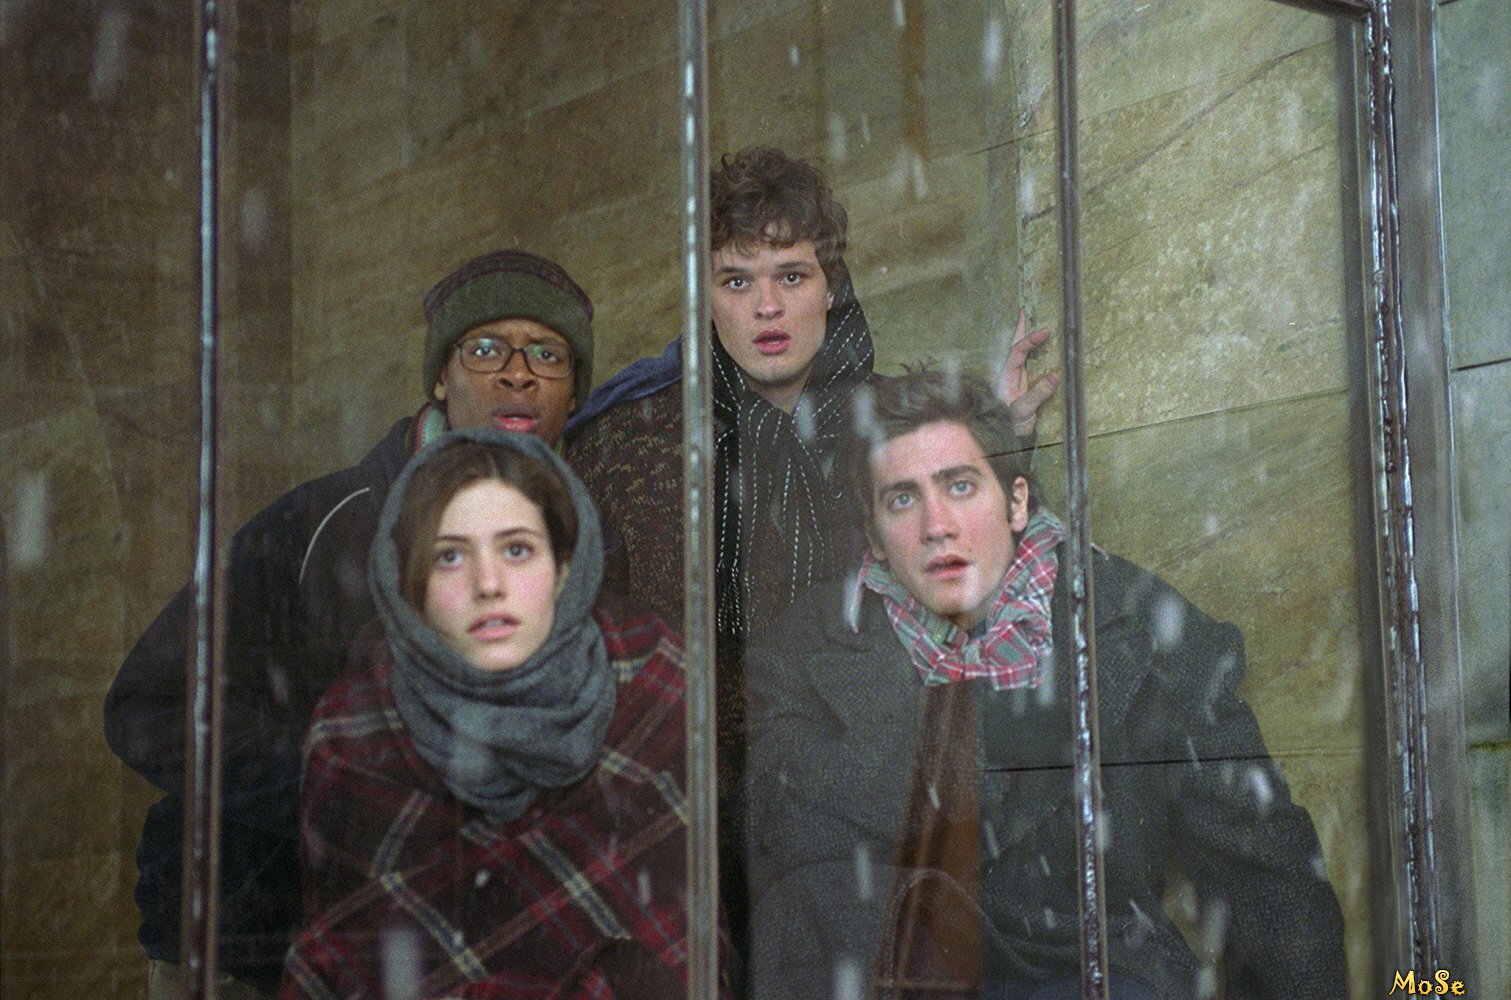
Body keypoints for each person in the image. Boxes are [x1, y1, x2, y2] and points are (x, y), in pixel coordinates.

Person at [565, 147, 1057, 978]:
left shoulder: (890, 427)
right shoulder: (630, 445)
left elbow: (958, 570)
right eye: (735, 281)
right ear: (703, 296)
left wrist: (999, 446)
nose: (766, 306)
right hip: (683, 824)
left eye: (791, 276)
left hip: (861, 817)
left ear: (831, 285)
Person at [745, 370, 1347, 1000]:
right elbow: (794, 859)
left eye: (959, 486)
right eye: (902, 499)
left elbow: (1262, 866)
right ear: (872, 535)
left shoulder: (1134, 623)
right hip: (898, 973)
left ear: (1016, 503)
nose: (936, 525)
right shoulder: (804, 649)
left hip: (1097, 973)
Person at [104, 249, 596, 998]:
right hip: (256, 947)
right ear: (439, 376)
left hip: (475, 953)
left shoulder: (594, 549)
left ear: (575, 391)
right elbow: (150, 705)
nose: (518, 374)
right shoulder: (323, 523)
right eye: (485, 348)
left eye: (547, 354)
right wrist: (337, 787)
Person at [279, 428, 713, 999]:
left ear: (564, 568)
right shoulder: (355, 738)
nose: (488, 585)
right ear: (410, 589)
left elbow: (694, 943)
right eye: (450, 556)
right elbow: (345, 966)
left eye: (517, 550)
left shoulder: (654, 686)